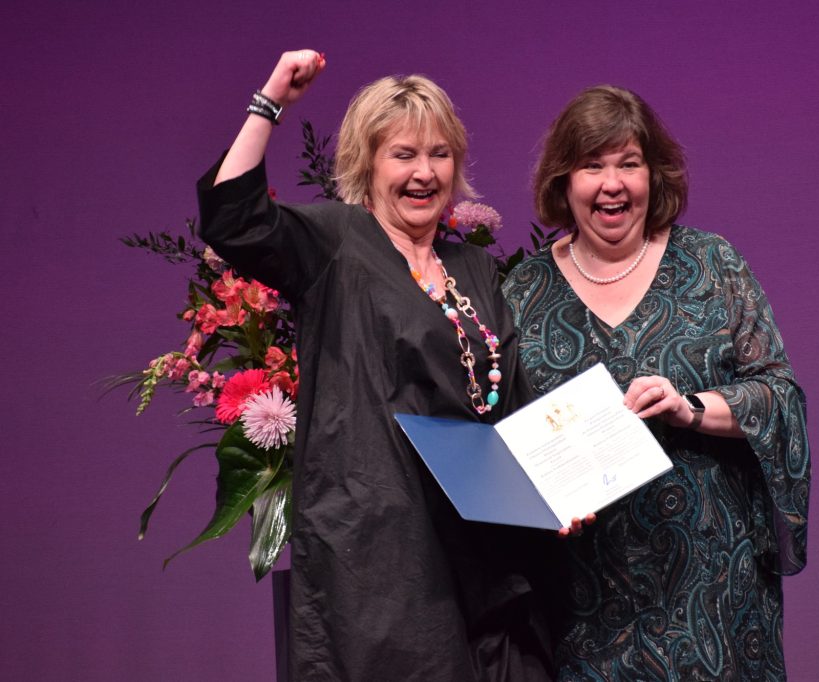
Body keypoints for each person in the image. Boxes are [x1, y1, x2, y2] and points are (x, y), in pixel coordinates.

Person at [198, 50, 553, 681]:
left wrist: (556, 490)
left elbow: (510, 397)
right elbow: (233, 217)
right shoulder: (336, 243)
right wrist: (271, 99)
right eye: (404, 155)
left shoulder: (471, 268)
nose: (424, 173)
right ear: (368, 164)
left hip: (480, 554)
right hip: (379, 556)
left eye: (439, 154)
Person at [502, 85, 810, 680]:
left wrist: (689, 407)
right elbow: (505, 440)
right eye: (592, 165)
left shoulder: (711, 265)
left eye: (628, 164)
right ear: (564, 181)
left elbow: (779, 400)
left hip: (714, 595)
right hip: (579, 606)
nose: (611, 183)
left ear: (655, 175)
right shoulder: (522, 293)